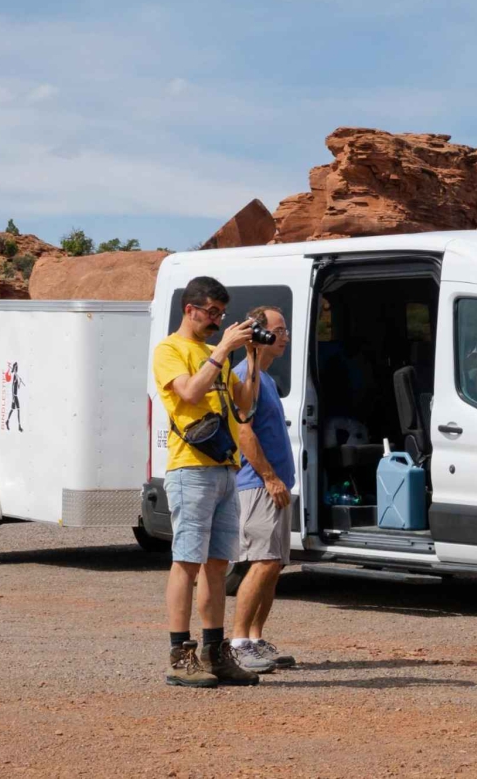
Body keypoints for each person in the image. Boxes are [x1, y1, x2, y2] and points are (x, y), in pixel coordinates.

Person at [156, 276, 263, 688]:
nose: (218, 321)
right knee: (186, 562)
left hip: (225, 468)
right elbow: (188, 393)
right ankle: (179, 655)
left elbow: (244, 404)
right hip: (190, 469)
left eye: (222, 314)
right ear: (190, 309)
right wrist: (222, 350)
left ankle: (215, 653)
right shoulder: (171, 349)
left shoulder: (211, 352)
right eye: (212, 313)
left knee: (218, 565)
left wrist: (251, 358)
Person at [229, 306, 297, 674]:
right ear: (258, 333)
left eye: (284, 330)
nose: (284, 336)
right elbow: (243, 432)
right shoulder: (245, 374)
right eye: (278, 330)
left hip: (275, 488)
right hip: (258, 486)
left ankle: (255, 640)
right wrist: (269, 478)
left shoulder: (265, 378)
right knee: (263, 561)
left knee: (273, 565)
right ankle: (239, 643)